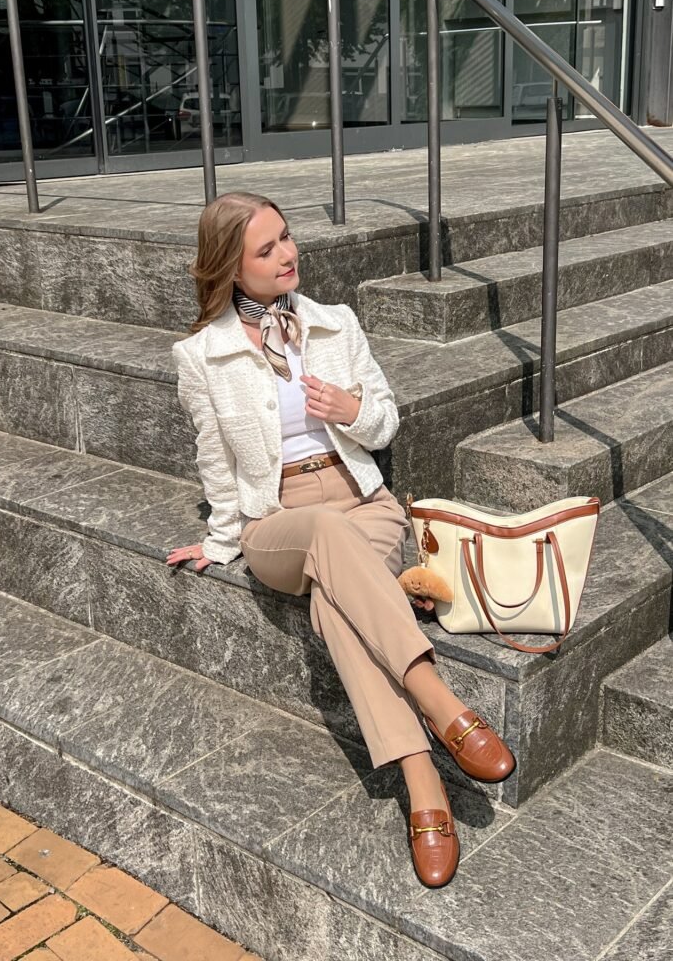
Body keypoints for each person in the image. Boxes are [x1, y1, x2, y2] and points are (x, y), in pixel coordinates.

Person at [166, 191, 515, 888]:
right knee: (322, 537)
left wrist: (351, 410)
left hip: (364, 504)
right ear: (229, 267)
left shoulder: (335, 324)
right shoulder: (201, 355)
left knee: (335, 606)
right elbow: (215, 459)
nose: (287, 254)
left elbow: (382, 422)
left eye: (286, 239)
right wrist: (219, 540)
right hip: (280, 521)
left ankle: (422, 786)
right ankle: (442, 706)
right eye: (265, 250)